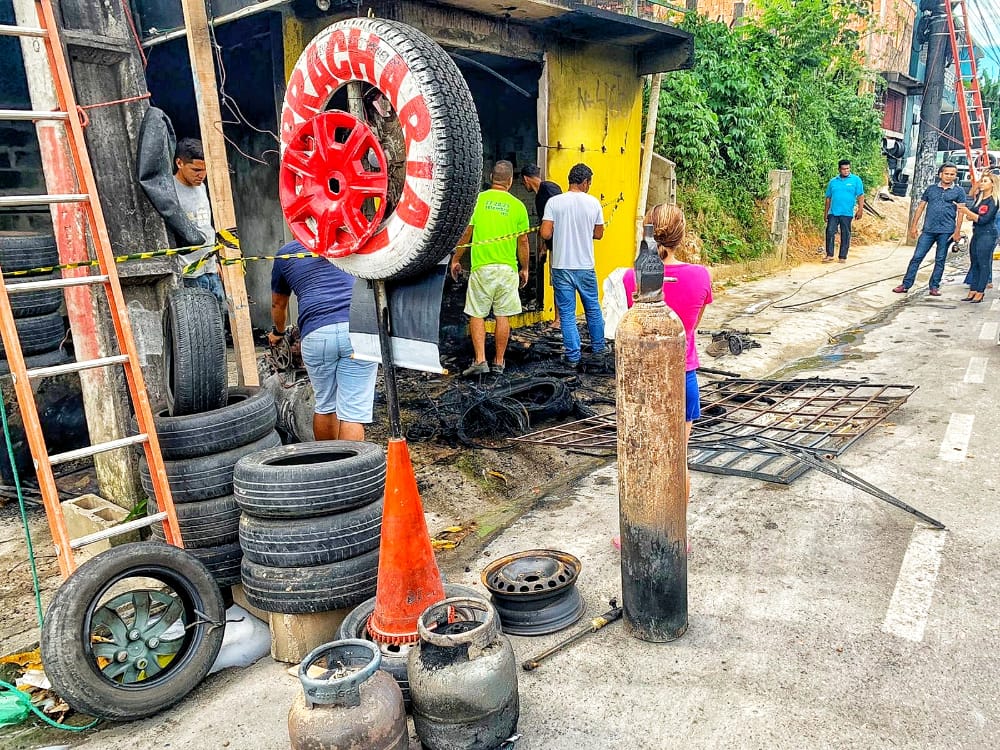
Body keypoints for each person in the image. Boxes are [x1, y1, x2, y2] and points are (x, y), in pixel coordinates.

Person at [616, 204, 712, 552]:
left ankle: (637, 535)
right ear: (681, 236)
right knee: (677, 459)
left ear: (646, 233)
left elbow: (640, 325)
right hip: (682, 377)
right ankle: (675, 535)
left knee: (642, 457)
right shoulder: (701, 276)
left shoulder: (632, 278)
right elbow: (690, 327)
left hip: (643, 382)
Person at [269, 242, 377, 440]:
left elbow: (278, 304)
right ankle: (352, 469)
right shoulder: (351, 239)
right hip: (358, 329)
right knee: (352, 413)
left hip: (316, 334)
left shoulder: (286, 254)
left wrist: (278, 332)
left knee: (326, 405)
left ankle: (327, 466)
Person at [451, 160, 530, 377]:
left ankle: (480, 361)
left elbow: (467, 233)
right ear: (511, 180)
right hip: (507, 270)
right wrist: (525, 269)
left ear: (490, 177)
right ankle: (499, 362)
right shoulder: (518, 206)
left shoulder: (478, 200)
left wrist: (456, 258)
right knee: (502, 315)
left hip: (482, 269)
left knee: (477, 314)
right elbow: (523, 241)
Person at [540, 163, 607, 367]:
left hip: (561, 266)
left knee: (567, 313)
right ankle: (598, 351)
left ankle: (572, 357)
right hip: (585, 266)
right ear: (585, 182)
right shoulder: (593, 203)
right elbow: (598, 234)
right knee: (593, 309)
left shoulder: (554, 202)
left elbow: (545, 233)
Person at [893, 163, 966, 296]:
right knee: (917, 257)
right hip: (928, 230)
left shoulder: (959, 191)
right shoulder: (931, 189)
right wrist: (914, 226)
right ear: (940, 174)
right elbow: (921, 207)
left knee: (940, 259)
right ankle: (906, 284)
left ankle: (934, 286)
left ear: (955, 176)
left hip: (947, 231)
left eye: (952, 174)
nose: (949, 176)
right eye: (946, 173)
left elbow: (961, 212)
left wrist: (957, 231)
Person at [173, 138, 224, 306]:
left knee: (218, 321)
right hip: (188, 274)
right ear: (179, 163)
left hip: (210, 269)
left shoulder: (201, 186)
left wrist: (215, 261)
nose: (201, 175)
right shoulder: (170, 191)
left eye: (205, 169)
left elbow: (206, 226)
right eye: (195, 170)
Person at [520, 164, 562, 327]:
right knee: (556, 281)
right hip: (552, 244)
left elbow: (556, 216)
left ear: (525, 179)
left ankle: (559, 319)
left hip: (559, 243)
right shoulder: (541, 196)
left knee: (559, 281)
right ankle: (558, 319)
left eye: (523, 183)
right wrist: (544, 246)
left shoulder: (548, 188)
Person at [958, 172, 998, 303]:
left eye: (985, 181)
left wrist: (968, 212)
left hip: (987, 233)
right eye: (982, 181)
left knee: (983, 263)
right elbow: (973, 215)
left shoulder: (994, 200)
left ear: (992, 184)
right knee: (974, 262)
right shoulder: (980, 198)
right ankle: (973, 289)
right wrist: (970, 214)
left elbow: (983, 219)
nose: (982, 183)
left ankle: (980, 291)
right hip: (977, 232)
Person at [823, 159, 865, 263]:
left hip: (847, 213)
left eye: (848, 168)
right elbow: (828, 198)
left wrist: (860, 209)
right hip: (833, 212)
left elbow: (860, 195)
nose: (846, 171)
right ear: (839, 170)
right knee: (830, 231)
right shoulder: (833, 182)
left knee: (845, 234)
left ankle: (842, 256)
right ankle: (829, 255)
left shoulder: (856, 180)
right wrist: (826, 212)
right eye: (844, 169)